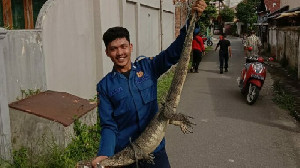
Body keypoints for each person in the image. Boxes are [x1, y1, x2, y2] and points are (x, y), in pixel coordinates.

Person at [91, 1, 207, 168]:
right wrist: (105, 154)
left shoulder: (148, 67)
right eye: (114, 49)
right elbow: (109, 125)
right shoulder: (104, 86)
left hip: (155, 151)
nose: (120, 53)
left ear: (130, 47)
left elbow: (173, 54)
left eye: (123, 47)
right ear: (107, 52)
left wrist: (192, 21)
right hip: (127, 156)